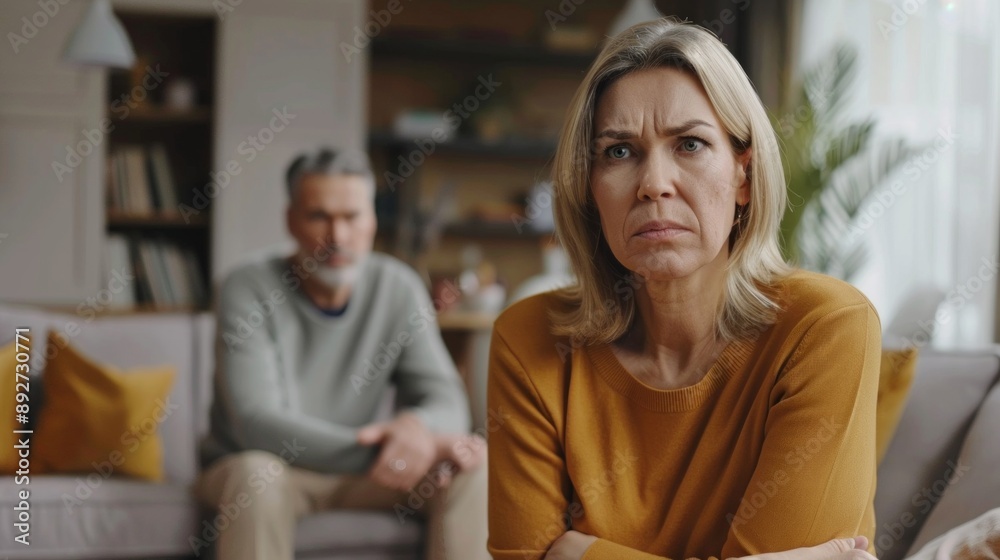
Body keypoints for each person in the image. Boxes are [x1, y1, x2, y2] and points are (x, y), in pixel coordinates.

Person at [487, 18, 880, 560]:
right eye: (620, 151)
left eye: (690, 144)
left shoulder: (827, 327)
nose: (653, 184)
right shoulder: (529, 338)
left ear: (744, 174)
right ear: (588, 186)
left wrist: (572, 552)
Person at [196, 148, 488, 560]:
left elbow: (447, 401)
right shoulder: (245, 286)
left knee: (473, 470)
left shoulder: (398, 287)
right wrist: (400, 450)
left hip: (367, 476)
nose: (338, 236)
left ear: (371, 220)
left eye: (352, 216)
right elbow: (256, 426)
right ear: (291, 220)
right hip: (271, 470)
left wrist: (414, 426)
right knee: (255, 474)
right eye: (320, 216)